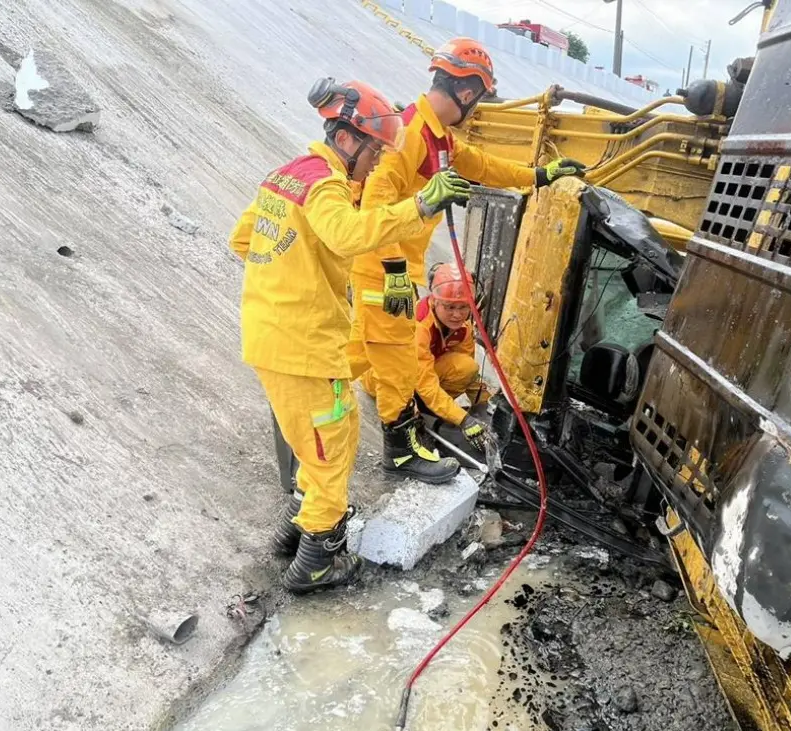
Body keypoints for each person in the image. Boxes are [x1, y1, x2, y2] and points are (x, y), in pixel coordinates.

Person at [229, 78, 471, 594]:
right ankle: (317, 562)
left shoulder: (286, 175)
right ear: (348, 140)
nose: (378, 164)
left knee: (308, 443)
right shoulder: (327, 184)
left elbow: (242, 240)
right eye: (376, 153)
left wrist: (294, 270)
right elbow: (346, 233)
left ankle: (293, 533)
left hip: (268, 336)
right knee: (333, 448)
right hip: (308, 344)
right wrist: (422, 206)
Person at [348, 37, 587, 484]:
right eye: (478, 96)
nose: (477, 106)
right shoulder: (407, 135)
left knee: (363, 357)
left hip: (395, 270)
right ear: (466, 90)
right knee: (398, 363)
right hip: (383, 271)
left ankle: (317, 399)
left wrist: (537, 176)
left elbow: (482, 165)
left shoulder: (436, 136)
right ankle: (397, 452)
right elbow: (374, 208)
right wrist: (396, 273)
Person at [361, 262, 488, 450]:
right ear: (435, 300)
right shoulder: (419, 327)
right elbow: (426, 384)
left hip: (420, 377)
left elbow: (468, 373)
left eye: (463, 307)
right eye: (450, 307)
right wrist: (463, 419)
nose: (457, 315)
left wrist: (482, 403)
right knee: (408, 384)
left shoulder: (464, 327)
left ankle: (429, 411)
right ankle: (416, 418)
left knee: (466, 366)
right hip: (386, 379)